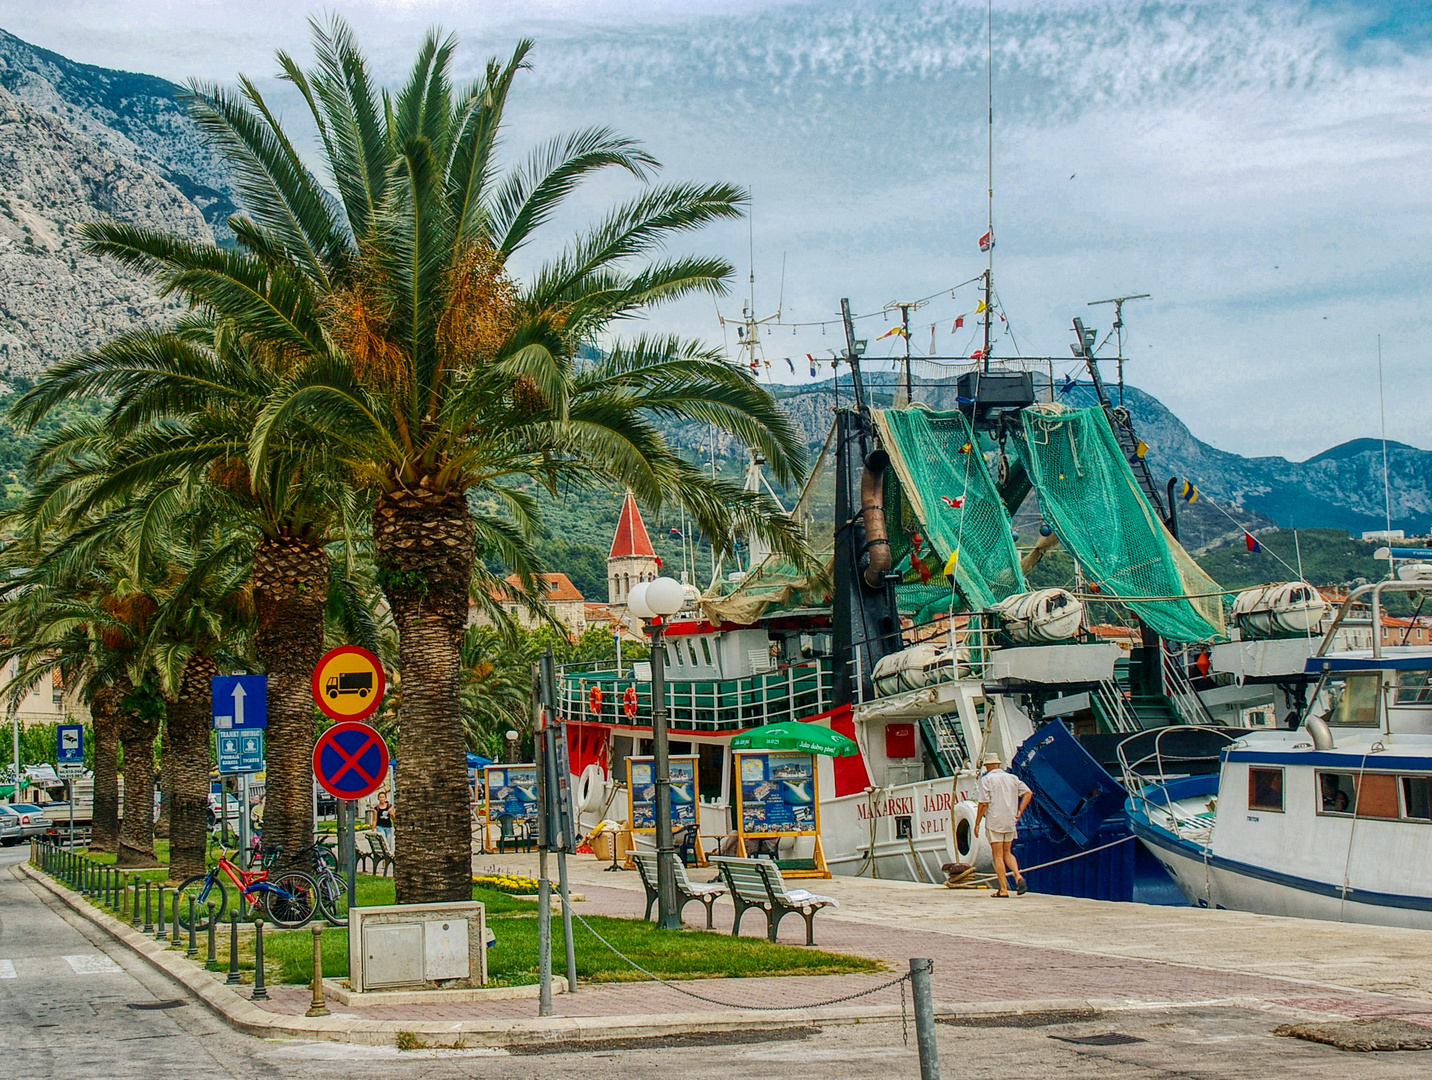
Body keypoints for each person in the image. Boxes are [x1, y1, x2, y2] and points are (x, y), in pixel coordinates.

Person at [974, 752, 1033, 897]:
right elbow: (1028, 793)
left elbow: (983, 804)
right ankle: (1018, 876)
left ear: (988, 765)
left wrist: (977, 823)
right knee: (1007, 852)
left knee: (997, 855)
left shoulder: (987, 780)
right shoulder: (1012, 778)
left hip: (995, 820)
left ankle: (1003, 889)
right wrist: (1019, 810)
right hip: (1010, 820)